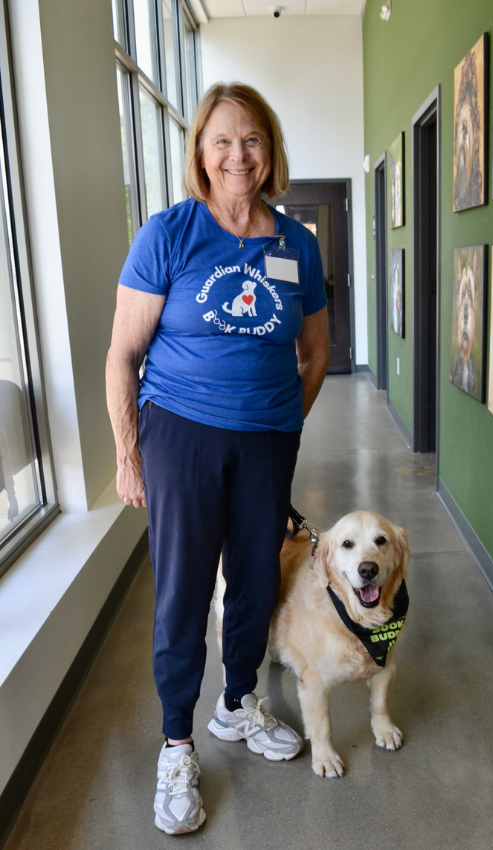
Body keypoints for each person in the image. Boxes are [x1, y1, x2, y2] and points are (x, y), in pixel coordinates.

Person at [106, 82, 329, 835]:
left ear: (272, 152)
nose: (240, 154)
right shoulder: (169, 234)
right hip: (180, 434)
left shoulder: (296, 245)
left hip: (267, 438)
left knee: (257, 578)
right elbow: (122, 354)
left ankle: (238, 705)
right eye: (223, 141)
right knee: (183, 589)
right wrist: (130, 456)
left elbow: (316, 351)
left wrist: (280, 422)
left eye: (254, 140)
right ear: (201, 151)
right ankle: (176, 742)